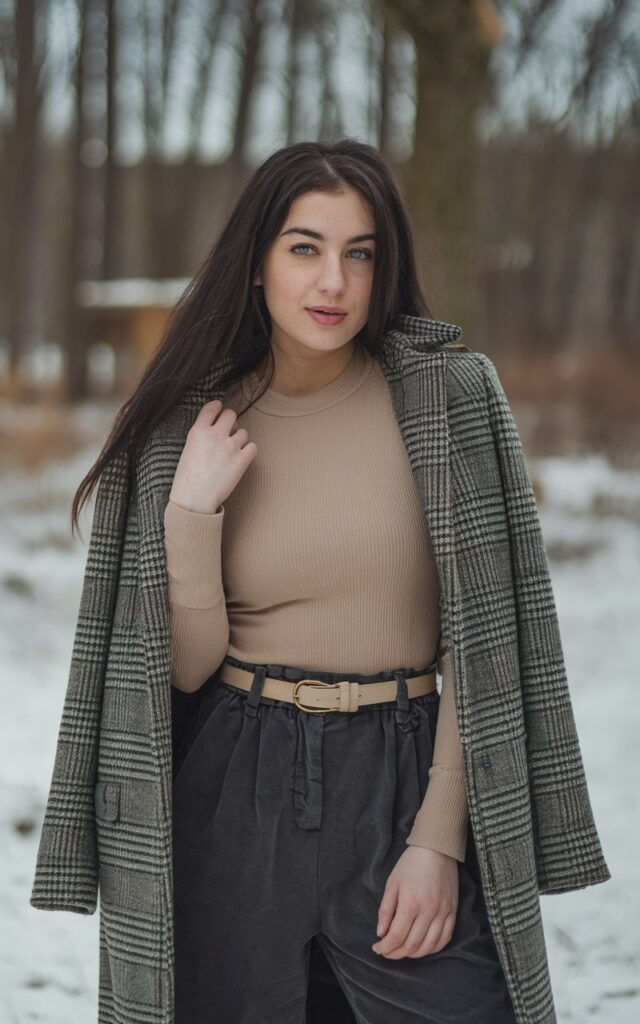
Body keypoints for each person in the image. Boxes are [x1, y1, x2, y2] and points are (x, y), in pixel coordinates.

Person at [31, 138, 610, 1024]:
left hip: (402, 772)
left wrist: (437, 841)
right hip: (236, 785)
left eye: (359, 252)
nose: (333, 281)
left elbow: (485, 651)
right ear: (256, 264)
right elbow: (182, 673)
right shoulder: (192, 420)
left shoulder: (450, 401)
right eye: (305, 248)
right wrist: (190, 516)